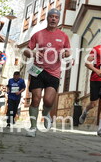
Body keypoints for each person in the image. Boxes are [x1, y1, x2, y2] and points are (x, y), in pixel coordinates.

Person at [23, 8, 71, 137]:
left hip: (54, 72)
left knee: (49, 101)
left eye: (56, 17)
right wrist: (33, 53)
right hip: (38, 70)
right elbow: (26, 51)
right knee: (36, 99)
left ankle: (45, 113)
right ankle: (33, 127)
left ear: (58, 20)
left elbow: (68, 51)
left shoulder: (63, 36)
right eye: (51, 16)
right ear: (47, 18)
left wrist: (65, 53)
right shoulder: (38, 34)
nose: (53, 19)